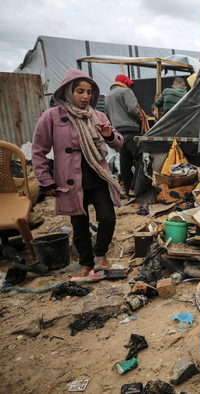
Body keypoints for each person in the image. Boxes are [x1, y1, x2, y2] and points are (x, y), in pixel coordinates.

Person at [32, 69, 124, 280]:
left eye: (89, 92)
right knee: (79, 227)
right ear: (68, 91)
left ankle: (100, 254)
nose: (85, 96)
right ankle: (85, 264)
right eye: (80, 91)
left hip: (98, 178)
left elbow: (119, 142)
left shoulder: (97, 115)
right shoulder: (52, 116)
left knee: (108, 219)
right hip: (71, 183)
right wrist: (45, 181)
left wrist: (109, 135)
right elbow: (38, 150)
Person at [103, 74, 142, 197]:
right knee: (141, 161)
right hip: (132, 131)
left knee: (125, 163)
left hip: (118, 135)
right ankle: (137, 188)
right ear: (125, 83)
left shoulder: (107, 97)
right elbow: (132, 109)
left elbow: (107, 117)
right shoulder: (126, 91)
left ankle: (129, 191)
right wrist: (141, 120)